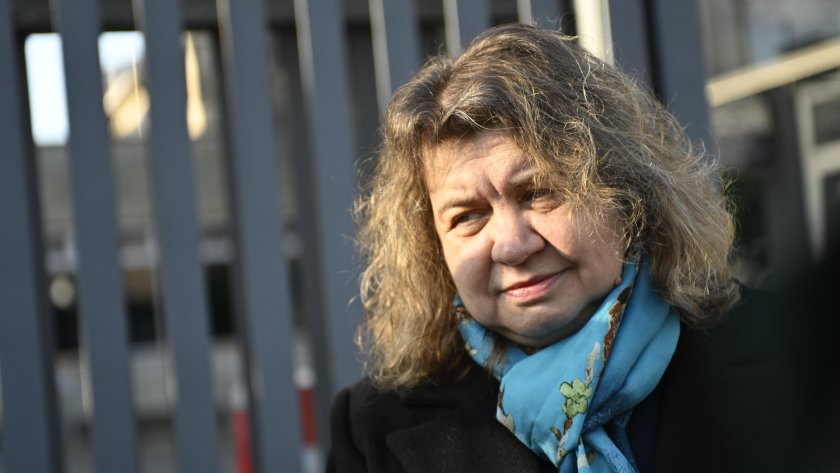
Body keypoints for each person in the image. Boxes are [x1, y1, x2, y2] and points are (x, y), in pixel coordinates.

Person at [327, 24, 801, 472]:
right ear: (433, 247)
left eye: (539, 193)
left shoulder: (800, 357)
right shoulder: (372, 430)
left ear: (627, 196)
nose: (511, 246)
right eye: (467, 216)